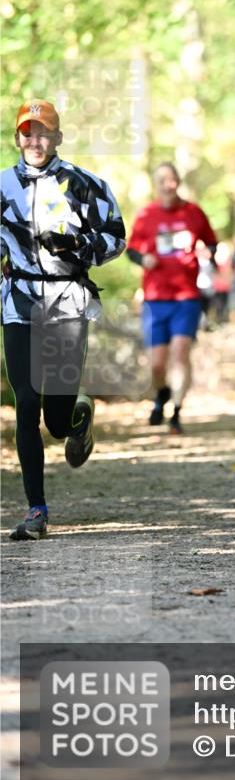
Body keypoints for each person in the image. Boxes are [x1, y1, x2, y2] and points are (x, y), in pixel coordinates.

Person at [1, 99, 125, 540]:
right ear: (18, 138)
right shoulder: (2, 186)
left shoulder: (84, 184)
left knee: (55, 419)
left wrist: (80, 245)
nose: (35, 141)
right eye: (27, 133)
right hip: (19, 302)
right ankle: (36, 510)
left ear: (57, 137)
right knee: (26, 403)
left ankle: (77, 420)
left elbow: (117, 237)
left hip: (68, 301)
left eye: (43, 132)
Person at [126, 163, 217, 434]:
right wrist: (143, 259)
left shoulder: (194, 212)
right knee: (156, 364)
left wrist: (207, 252)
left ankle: (176, 412)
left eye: (172, 180)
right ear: (156, 185)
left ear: (178, 182)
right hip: (155, 298)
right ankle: (161, 394)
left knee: (180, 353)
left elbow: (212, 243)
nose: (168, 185)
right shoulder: (146, 215)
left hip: (187, 297)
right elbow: (131, 250)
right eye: (162, 180)